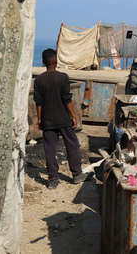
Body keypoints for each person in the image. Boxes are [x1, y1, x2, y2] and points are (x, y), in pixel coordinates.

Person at [34, 49, 89, 189]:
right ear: (55, 61)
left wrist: (40, 120)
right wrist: (73, 116)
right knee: (72, 145)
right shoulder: (63, 77)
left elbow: (38, 102)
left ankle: (53, 179)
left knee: (50, 149)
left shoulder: (39, 80)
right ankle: (77, 175)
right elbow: (67, 99)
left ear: (43, 62)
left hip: (47, 120)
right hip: (63, 119)